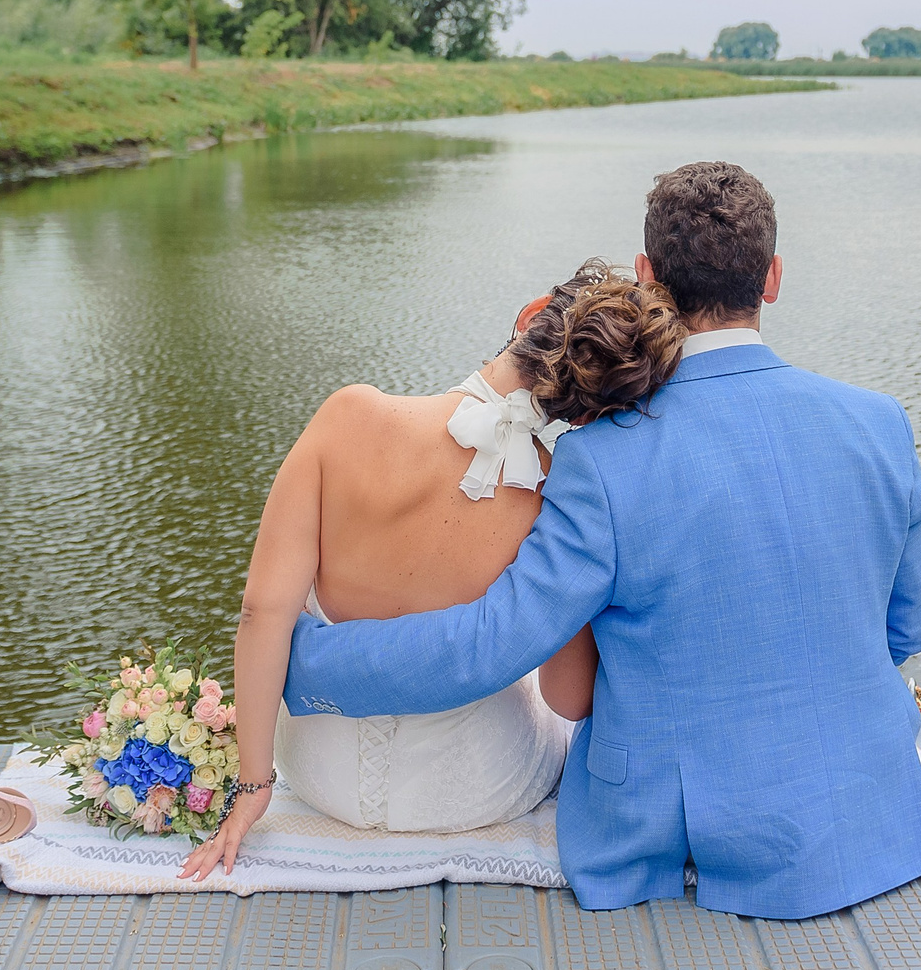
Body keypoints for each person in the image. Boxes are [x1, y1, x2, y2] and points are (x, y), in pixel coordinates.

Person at [280, 161, 921, 919]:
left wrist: (302, 662)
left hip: (679, 830)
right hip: (865, 805)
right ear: (773, 279)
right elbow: (905, 629)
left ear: (648, 276)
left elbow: (489, 644)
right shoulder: (879, 422)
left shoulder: (602, 457)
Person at [182, 260, 686, 879]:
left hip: (320, 776)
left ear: (530, 316)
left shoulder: (350, 416)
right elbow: (568, 696)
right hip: (479, 787)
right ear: (591, 407)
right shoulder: (560, 494)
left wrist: (255, 785)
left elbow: (263, 613)